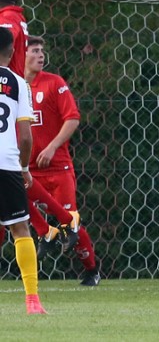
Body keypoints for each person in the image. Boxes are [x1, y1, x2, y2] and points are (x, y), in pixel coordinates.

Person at [0, 0, 80, 257]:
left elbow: (5, 41)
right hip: (12, 89)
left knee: (13, 174)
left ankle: (57, 224)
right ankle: (56, 224)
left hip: (8, 89)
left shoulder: (8, 19)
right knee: (15, 178)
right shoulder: (13, 15)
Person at [25, 36, 100, 286]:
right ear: (20, 55)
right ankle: (44, 233)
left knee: (71, 222)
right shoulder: (12, 86)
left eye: (42, 51)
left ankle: (91, 270)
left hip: (58, 168)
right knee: (14, 208)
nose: (40, 55)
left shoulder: (54, 83)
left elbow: (73, 119)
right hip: (28, 172)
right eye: (34, 51)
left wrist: (52, 146)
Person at [0, 27, 47, 314]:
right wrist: (25, 168)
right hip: (7, 164)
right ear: (13, 52)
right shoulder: (18, 83)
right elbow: (26, 137)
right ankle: (32, 301)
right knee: (20, 229)